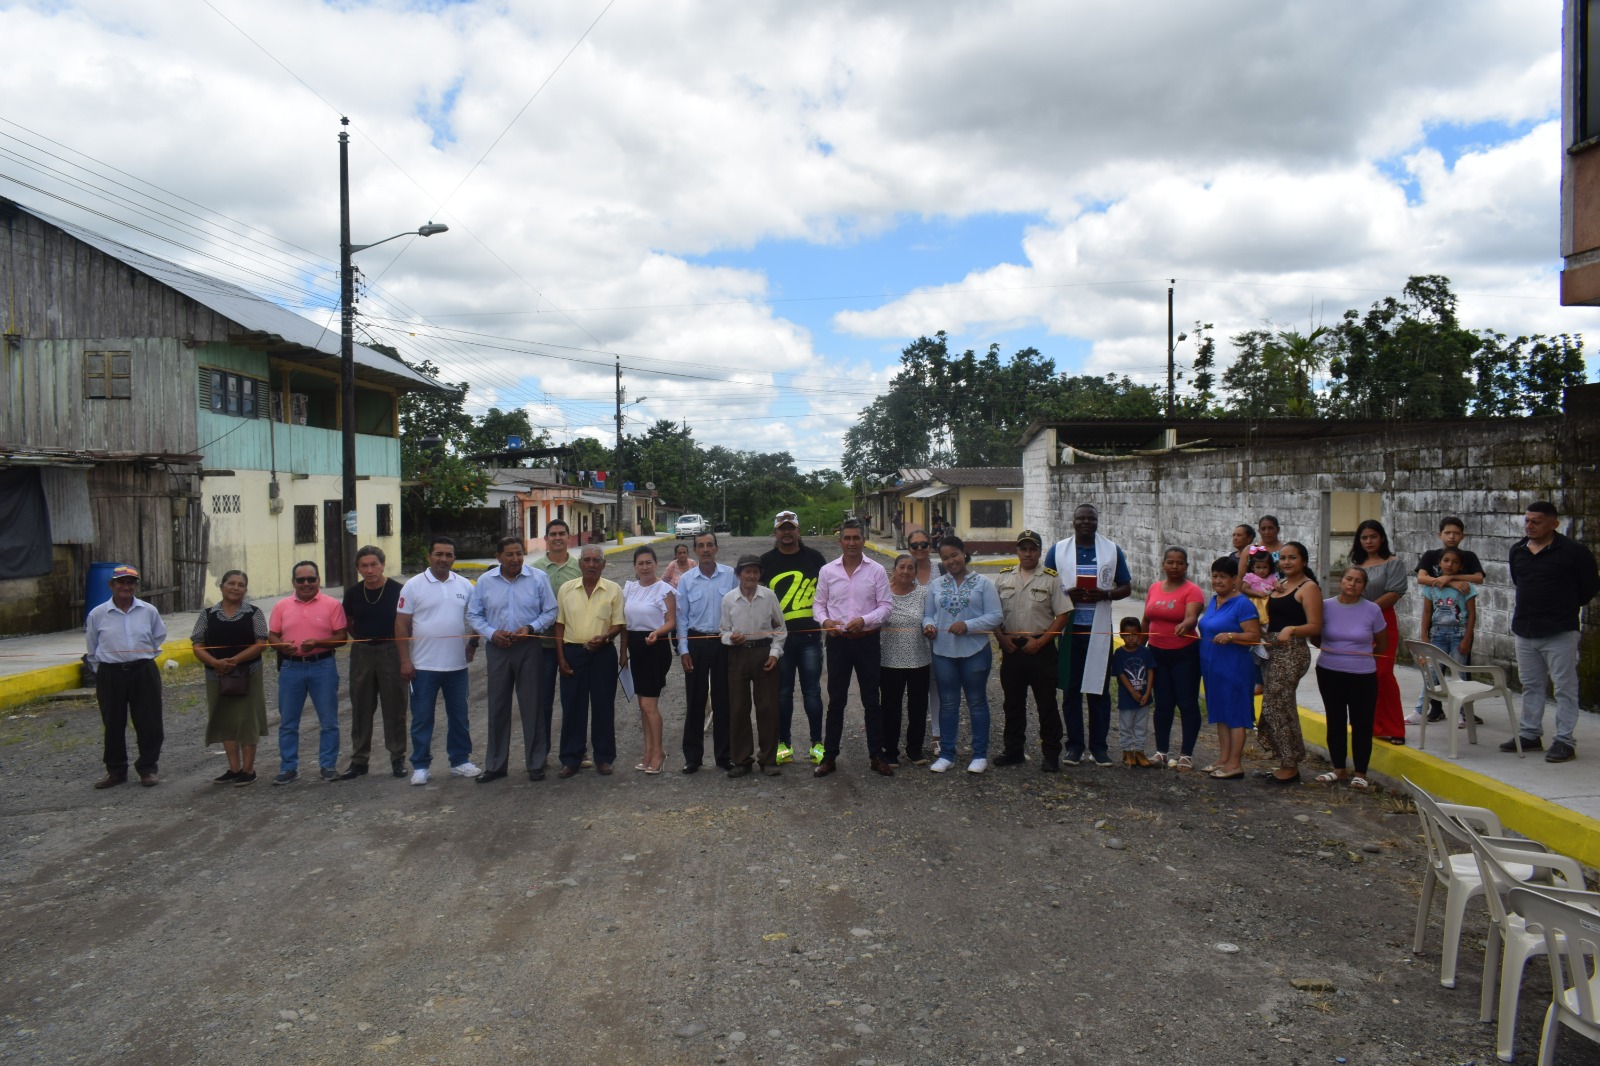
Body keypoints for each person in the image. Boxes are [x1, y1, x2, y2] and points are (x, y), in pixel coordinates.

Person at [1502, 500, 1600, 763]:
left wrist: (1562, 605)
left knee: (1564, 687)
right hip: (1525, 629)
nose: (1529, 526)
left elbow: (1590, 586)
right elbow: (1519, 581)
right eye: (1527, 521)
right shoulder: (1518, 550)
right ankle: (1530, 734)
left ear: (1554, 524)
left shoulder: (1573, 552)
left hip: (1559, 630)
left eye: (1536, 522)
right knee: (1530, 684)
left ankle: (1565, 740)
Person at [467, 536, 559, 784]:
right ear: (498, 557)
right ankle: (496, 765)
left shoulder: (538, 578)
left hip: (529, 646)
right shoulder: (485, 581)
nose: (515, 559)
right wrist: (491, 633)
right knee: (497, 706)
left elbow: (551, 610)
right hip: (497, 649)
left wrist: (531, 627)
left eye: (519, 553)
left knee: (532, 705)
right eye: (509, 554)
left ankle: (536, 763)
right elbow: (474, 614)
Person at [1050, 504, 1132, 767]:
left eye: (1091, 518)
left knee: (1099, 690)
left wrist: (1106, 594)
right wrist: (1066, 594)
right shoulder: (1058, 550)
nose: (1086, 522)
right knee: (1071, 690)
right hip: (1070, 631)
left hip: (1099, 631)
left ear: (1097, 521)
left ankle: (1099, 747)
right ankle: (1074, 746)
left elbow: (1126, 586)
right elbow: (1046, 585)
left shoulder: (1111, 550)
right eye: (1081, 518)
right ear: (1073, 521)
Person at [396, 537, 480, 786]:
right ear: (429, 556)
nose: (443, 559)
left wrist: (473, 643)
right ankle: (421, 766)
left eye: (449, 555)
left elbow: (478, 615)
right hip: (423, 666)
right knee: (422, 718)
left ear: (454, 558)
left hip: (456, 666)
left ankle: (460, 761)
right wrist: (405, 661)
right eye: (438, 554)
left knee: (459, 716)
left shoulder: (464, 585)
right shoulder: (413, 585)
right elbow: (401, 624)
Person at [813, 518, 893, 778]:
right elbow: (819, 604)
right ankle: (829, 757)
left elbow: (886, 606)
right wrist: (825, 621)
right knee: (836, 701)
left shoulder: (877, 570)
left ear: (863, 540)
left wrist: (865, 620)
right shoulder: (828, 571)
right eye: (847, 538)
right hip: (838, 643)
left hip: (867, 641)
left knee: (871, 700)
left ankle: (877, 755)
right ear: (840, 541)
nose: (851, 543)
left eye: (856, 538)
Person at [923, 536, 1002, 774]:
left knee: (977, 702)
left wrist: (968, 625)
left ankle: (979, 755)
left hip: (975, 652)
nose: (951, 561)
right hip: (943, 652)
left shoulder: (983, 583)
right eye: (945, 558)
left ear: (964, 553)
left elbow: (996, 616)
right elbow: (928, 614)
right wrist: (928, 626)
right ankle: (947, 754)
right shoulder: (936, 585)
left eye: (954, 555)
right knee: (948, 703)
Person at [993, 529, 1071, 770]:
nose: (1027, 553)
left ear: (1039, 551)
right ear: (1017, 550)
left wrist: (1041, 642)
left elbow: (1063, 615)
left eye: (1032, 549)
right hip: (1012, 648)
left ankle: (1051, 755)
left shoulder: (1051, 578)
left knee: (1046, 704)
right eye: (1023, 548)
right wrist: (1002, 639)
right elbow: (992, 614)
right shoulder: (1004, 578)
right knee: (1012, 704)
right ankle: (1013, 751)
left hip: (1041, 649)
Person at [85, 565, 167, 788]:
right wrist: (104, 670)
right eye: (121, 582)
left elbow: (158, 635)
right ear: (111, 585)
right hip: (110, 673)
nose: (126, 586)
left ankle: (148, 768)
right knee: (113, 723)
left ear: (136, 586)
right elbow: (92, 647)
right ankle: (116, 771)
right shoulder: (98, 614)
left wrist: (140, 656)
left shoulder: (148, 611)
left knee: (149, 721)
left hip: (143, 671)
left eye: (131, 582)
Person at [268, 560, 349, 785]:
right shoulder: (281, 606)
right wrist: (280, 646)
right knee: (288, 722)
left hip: (323, 666)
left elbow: (342, 637)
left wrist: (318, 643)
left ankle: (328, 765)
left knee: (329, 720)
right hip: (290, 667)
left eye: (311, 579)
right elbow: (272, 635)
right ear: (293, 582)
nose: (306, 583)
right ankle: (288, 768)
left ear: (318, 580)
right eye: (301, 579)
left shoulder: (332, 605)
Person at [760, 509, 828, 765]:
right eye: (782, 529)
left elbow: (827, 592)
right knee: (782, 693)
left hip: (810, 637)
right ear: (775, 533)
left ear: (798, 531)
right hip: (780, 641)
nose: (787, 533)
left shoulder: (815, 558)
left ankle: (817, 744)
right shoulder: (765, 561)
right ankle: (784, 744)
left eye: (791, 528)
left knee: (812, 692)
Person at [1312, 567, 1388, 791]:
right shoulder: (1325, 606)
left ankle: (1361, 773)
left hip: (1363, 675)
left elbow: (1382, 644)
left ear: (1363, 586)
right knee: (1335, 719)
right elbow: (1315, 637)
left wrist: (1358, 658)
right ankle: (1338, 769)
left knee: (1362, 722)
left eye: (1358, 581)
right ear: (1341, 581)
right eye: (1348, 579)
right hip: (1329, 671)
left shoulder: (1372, 609)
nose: (1352, 584)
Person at [191, 569, 268, 786]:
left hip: (247, 673)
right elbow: (197, 644)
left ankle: (248, 770)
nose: (236, 588)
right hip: (216, 675)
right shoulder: (207, 614)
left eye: (241, 585)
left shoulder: (254, 613)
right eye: (231, 583)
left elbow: (261, 643)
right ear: (221, 586)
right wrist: (215, 663)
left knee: (247, 720)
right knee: (225, 719)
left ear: (245, 589)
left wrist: (234, 660)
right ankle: (234, 769)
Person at [554, 545, 625, 777]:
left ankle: (604, 758)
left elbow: (618, 624)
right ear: (580, 564)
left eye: (596, 560)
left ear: (603, 564)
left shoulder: (613, 590)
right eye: (587, 560)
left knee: (603, 705)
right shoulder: (566, 589)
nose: (591, 564)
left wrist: (605, 637)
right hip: (573, 653)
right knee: (573, 706)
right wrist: (561, 657)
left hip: (603, 654)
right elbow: (559, 625)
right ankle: (571, 759)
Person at [339, 545, 408, 779]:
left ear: (382, 565)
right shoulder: (353, 593)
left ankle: (397, 758)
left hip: (391, 650)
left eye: (373, 565)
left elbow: (406, 621)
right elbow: (348, 621)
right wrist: (361, 638)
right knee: (361, 705)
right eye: (364, 566)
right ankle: (359, 760)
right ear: (358, 569)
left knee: (395, 705)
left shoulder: (398, 590)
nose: (369, 570)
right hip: (362, 651)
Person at [1257, 541, 1321, 785]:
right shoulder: (1280, 584)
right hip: (1271, 650)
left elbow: (1315, 625)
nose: (1286, 562)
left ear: (1303, 560)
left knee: (1278, 706)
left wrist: (1292, 629)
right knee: (1276, 705)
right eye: (1282, 558)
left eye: (1292, 557)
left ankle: (1290, 765)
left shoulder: (1308, 587)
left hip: (1292, 652)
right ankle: (1286, 760)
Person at [676, 531, 738, 773]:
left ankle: (725, 756)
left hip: (723, 643)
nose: (705, 549)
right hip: (696, 642)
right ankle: (693, 757)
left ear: (716, 548)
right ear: (695, 550)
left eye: (709, 545)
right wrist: (683, 649)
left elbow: (737, 610)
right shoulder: (686, 580)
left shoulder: (730, 575)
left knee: (724, 700)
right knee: (695, 700)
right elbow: (681, 617)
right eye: (700, 546)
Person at [720, 554, 786, 777]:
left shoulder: (769, 596)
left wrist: (775, 654)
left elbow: (780, 629)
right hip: (738, 655)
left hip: (764, 654)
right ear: (738, 574)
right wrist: (731, 639)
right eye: (747, 571)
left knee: (767, 707)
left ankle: (768, 759)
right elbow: (723, 631)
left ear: (760, 575)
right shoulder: (729, 599)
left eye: (755, 571)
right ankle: (741, 760)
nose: (751, 576)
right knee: (738, 708)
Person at [1196, 556, 1261, 780]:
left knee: (1236, 714)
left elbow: (1254, 636)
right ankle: (1223, 759)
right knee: (1220, 714)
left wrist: (1232, 636)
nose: (1217, 580)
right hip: (1212, 668)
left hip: (1234, 667)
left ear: (1234, 579)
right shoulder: (1214, 600)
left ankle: (1235, 763)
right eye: (1214, 576)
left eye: (1223, 576)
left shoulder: (1243, 603)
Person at [1142, 547, 1205, 771]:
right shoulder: (1154, 588)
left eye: (1180, 563)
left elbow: (1192, 617)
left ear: (1186, 566)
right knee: (1163, 704)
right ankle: (1161, 751)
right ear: (1163, 564)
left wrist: (1185, 625)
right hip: (1156, 653)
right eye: (1170, 562)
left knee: (1187, 703)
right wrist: (1139, 648)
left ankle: (1186, 755)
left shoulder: (1193, 591)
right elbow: (1146, 621)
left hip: (1184, 655)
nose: (1175, 566)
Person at [530, 519, 583, 768]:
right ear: (546, 539)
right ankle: (541, 753)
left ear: (569, 537)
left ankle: (576, 751)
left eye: (562, 533)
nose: (558, 537)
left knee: (573, 702)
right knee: (543, 702)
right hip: (543, 647)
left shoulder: (580, 567)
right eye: (553, 534)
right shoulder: (535, 570)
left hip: (573, 644)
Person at [1350, 519, 1408, 744]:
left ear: (1381, 538)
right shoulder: (1357, 565)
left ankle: (1395, 729)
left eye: (1373, 536)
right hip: (1357, 623)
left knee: (1383, 674)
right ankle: (1369, 726)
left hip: (1384, 621)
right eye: (1364, 537)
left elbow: (1395, 592)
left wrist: (1370, 610)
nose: (1368, 541)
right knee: (1362, 676)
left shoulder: (1393, 563)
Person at [621, 544, 676, 775]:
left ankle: (659, 752)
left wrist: (657, 632)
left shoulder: (664, 590)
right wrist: (623, 652)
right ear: (635, 566)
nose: (645, 567)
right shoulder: (630, 589)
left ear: (656, 564)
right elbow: (624, 624)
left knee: (649, 705)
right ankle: (648, 752)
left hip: (655, 647)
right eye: (640, 563)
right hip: (636, 648)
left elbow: (671, 621)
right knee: (642, 706)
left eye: (648, 563)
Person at [1412, 547, 1479, 725]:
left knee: (1460, 675)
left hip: (1459, 635)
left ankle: (1463, 713)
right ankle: (1419, 711)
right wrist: (1424, 636)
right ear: (1439, 563)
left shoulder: (1467, 587)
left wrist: (1467, 639)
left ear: (1461, 566)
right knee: (1431, 674)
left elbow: (1472, 614)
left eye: (1455, 562)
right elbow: (1427, 612)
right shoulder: (1431, 587)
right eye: (1446, 560)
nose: (1450, 565)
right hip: (1437, 635)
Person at [880, 554, 932, 767]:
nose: (906, 571)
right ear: (894, 569)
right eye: (902, 567)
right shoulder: (882, 592)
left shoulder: (924, 593)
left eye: (911, 568)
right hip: (889, 659)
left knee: (918, 707)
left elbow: (929, 616)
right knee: (890, 707)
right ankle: (890, 750)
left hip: (919, 659)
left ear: (915, 572)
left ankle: (914, 749)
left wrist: (930, 625)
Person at [905, 530, 944, 749]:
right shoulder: (904, 569)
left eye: (924, 544)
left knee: (936, 687)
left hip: (938, 637)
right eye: (915, 545)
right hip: (909, 639)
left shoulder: (941, 570)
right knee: (917, 690)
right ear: (908, 548)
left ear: (930, 546)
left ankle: (938, 735)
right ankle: (913, 739)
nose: (919, 549)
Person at [1111, 617, 1154, 766]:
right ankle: (1127, 751)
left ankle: (1140, 751)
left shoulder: (1145, 652)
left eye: (1134, 634)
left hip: (1144, 697)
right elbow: (1121, 674)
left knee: (1142, 725)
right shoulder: (1119, 653)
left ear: (1140, 635)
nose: (1131, 638)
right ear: (1121, 635)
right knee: (1126, 725)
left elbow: (1150, 671)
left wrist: (1147, 692)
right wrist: (1133, 692)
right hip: (1127, 698)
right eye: (1127, 635)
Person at [1415, 516, 1486, 591]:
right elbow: (1421, 578)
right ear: (1440, 535)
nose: (1452, 537)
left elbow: (1479, 578)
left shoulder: (1469, 556)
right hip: (1436, 597)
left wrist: (1450, 577)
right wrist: (1451, 583)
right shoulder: (1430, 555)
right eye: (1447, 533)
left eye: (1457, 533)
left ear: (1462, 536)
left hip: (1462, 596)